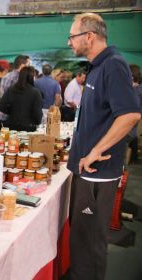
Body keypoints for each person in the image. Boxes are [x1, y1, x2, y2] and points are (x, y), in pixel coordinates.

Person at [66, 13, 141, 280]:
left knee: (89, 242)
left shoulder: (114, 65)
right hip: (86, 169)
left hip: (98, 171)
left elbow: (130, 114)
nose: (69, 42)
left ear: (89, 35)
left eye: (72, 36)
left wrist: (97, 150)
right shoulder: (96, 66)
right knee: (80, 238)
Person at [0, 66, 43, 132]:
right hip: (28, 127)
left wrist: (10, 112)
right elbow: (37, 113)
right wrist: (37, 122)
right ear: (32, 77)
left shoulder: (11, 89)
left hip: (12, 125)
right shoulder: (35, 92)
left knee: (12, 142)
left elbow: (1, 106)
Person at [0, 55, 31, 130]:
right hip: (12, 117)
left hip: (3, 115)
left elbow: (2, 96)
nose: (29, 68)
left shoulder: (7, 76)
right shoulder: (18, 78)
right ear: (22, 66)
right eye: (28, 65)